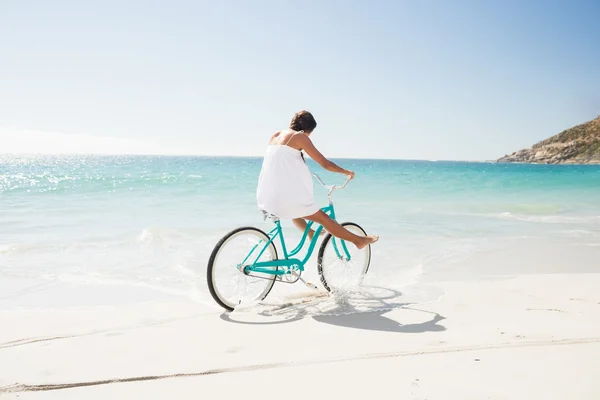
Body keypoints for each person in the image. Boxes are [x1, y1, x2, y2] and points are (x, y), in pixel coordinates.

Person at [256, 110, 379, 250]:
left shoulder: (275, 135)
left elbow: (281, 163)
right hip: (284, 200)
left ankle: (309, 233)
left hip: (266, 198)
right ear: (307, 129)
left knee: (296, 211)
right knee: (323, 219)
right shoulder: (299, 137)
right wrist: (345, 172)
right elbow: (325, 164)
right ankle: (358, 241)